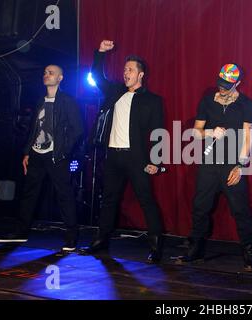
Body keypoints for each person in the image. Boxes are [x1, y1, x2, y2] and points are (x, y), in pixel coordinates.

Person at [81, 40, 165, 264]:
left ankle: (156, 246)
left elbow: (159, 132)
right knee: (109, 200)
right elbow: (97, 76)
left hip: (136, 157)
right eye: (124, 69)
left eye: (130, 70)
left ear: (141, 75)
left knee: (146, 199)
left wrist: (157, 160)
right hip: (113, 155)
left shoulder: (153, 100)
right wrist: (99, 52)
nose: (125, 73)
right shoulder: (115, 92)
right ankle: (101, 240)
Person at [176, 63, 252, 272]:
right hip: (209, 164)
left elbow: (248, 138)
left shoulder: (246, 105)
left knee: (241, 210)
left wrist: (241, 166)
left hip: (232, 164)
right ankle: (196, 249)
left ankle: (249, 253)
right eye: (220, 83)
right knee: (200, 207)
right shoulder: (207, 102)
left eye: (226, 85)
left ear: (237, 83)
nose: (221, 88)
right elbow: (195, 133)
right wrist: (211, 132)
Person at [0, 65, 84, 252]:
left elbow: (77, 130)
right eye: (45, 72)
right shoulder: (40, 101)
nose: (46, 74)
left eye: (51, 72)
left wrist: (63, 151)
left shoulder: (68, 101)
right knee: (29, 194)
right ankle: (21, 232)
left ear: (60, 78)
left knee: (64, 195)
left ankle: (71, 236)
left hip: (56, 155)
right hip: (36, 154)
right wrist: (27, 152)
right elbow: (34, 130)